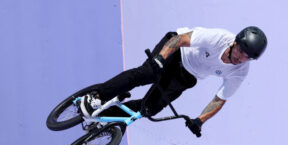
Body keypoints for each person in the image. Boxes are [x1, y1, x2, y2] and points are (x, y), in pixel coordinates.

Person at [80, 26, 267, 137]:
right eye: (241, 51)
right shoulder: (218, 38)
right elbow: (181, 39)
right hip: (176, 51)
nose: (241, 58)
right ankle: (95, 96)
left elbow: (220, 98)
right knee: (147, 74)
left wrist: (200, 121)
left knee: (149, 109)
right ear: (236, 42)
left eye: (248, 57)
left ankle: (106, 118)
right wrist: (160, 59)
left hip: (187, 75)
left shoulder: (240, 71)